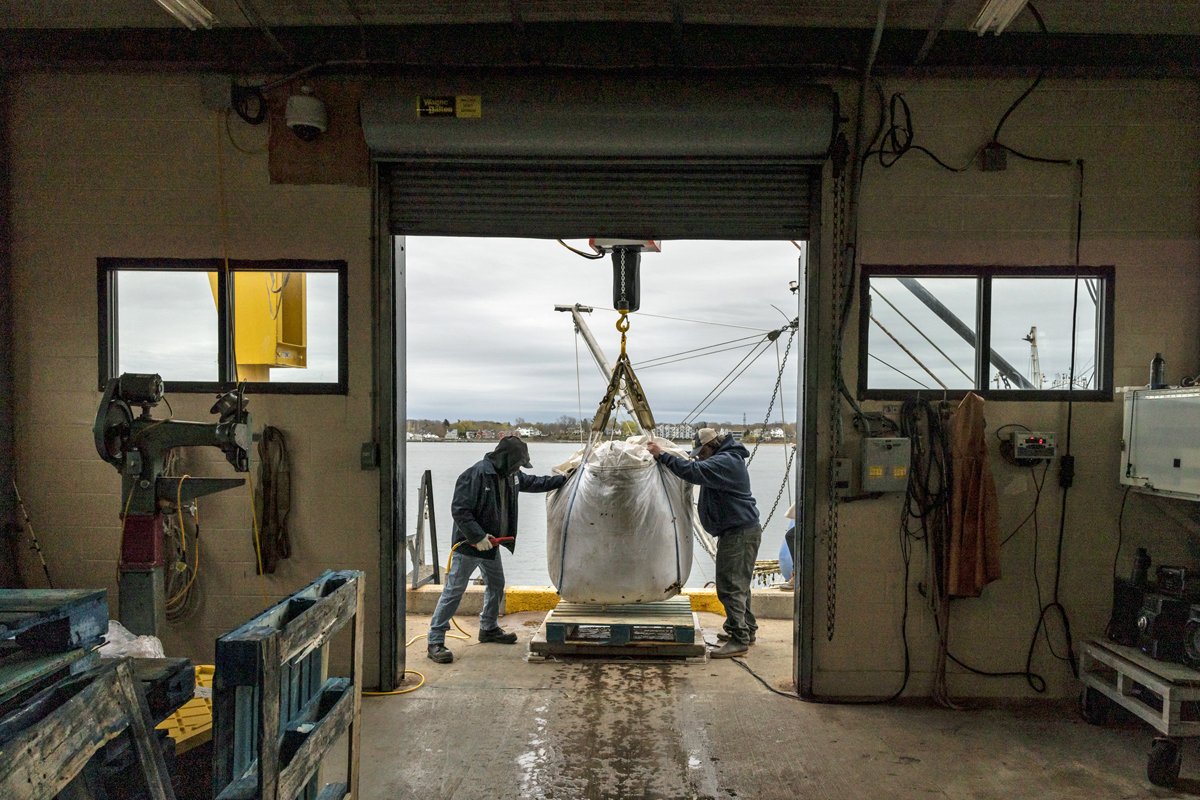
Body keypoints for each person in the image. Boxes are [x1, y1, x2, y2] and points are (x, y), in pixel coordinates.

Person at [427, 436, 566, 664]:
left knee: (496, 584)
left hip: (491, 546)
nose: (519, 468)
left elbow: (534, 482)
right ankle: (435, 640)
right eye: (517, 463)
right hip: (469, 546)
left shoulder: (511, 476)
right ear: (505, 458)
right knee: (454, 591)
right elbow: (460, 510)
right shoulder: (474, 475)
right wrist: (478, 536)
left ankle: (488, 628)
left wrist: (563, 480)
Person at [646, 428, 761, 658]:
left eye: (701, 452)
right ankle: (746, 630)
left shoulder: (725, 462)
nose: (699, 456)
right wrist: (670, 453)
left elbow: (693, 470)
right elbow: (692, 462)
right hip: (740, 531)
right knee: (740, 584)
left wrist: (662, 456)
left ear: (711, 447)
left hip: (738, 533)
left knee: (729, 586)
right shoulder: (724, 458)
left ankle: (739, 639)